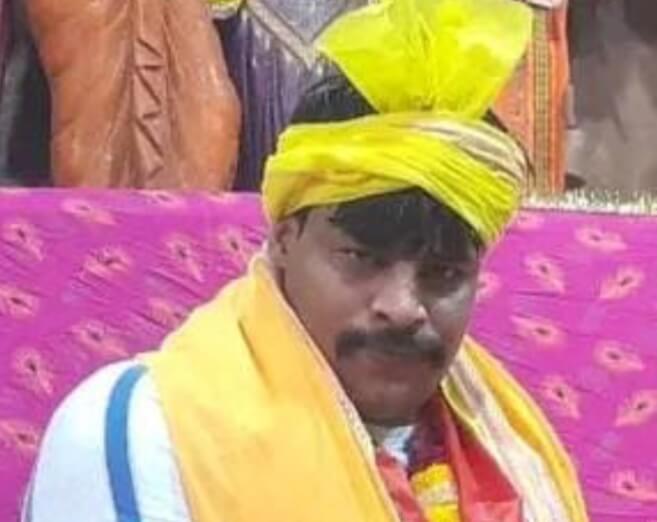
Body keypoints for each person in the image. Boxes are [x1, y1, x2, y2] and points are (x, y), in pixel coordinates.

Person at [23, 1, 589, 521]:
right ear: (284, 240)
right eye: (361, 256)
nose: (402, 307)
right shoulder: (147, 430)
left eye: (444, 274)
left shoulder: (513, 451)